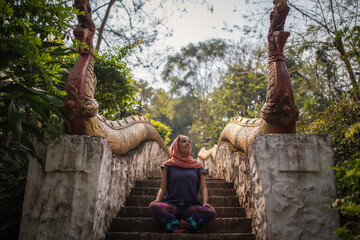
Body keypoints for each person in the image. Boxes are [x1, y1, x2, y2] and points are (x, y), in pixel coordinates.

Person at [148, 135, 216, 233]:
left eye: (189, 141)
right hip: (172, 205)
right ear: (176, 145)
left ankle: (181, 225)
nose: (188, 143)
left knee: (211, 212)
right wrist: (157, 200)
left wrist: (205, 202)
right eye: (184, 141)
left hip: (191, 207)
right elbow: (162, 188)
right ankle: (183, 226)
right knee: (153, 207)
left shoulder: (197, 166)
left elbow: (203, 187)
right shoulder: (168, 166)